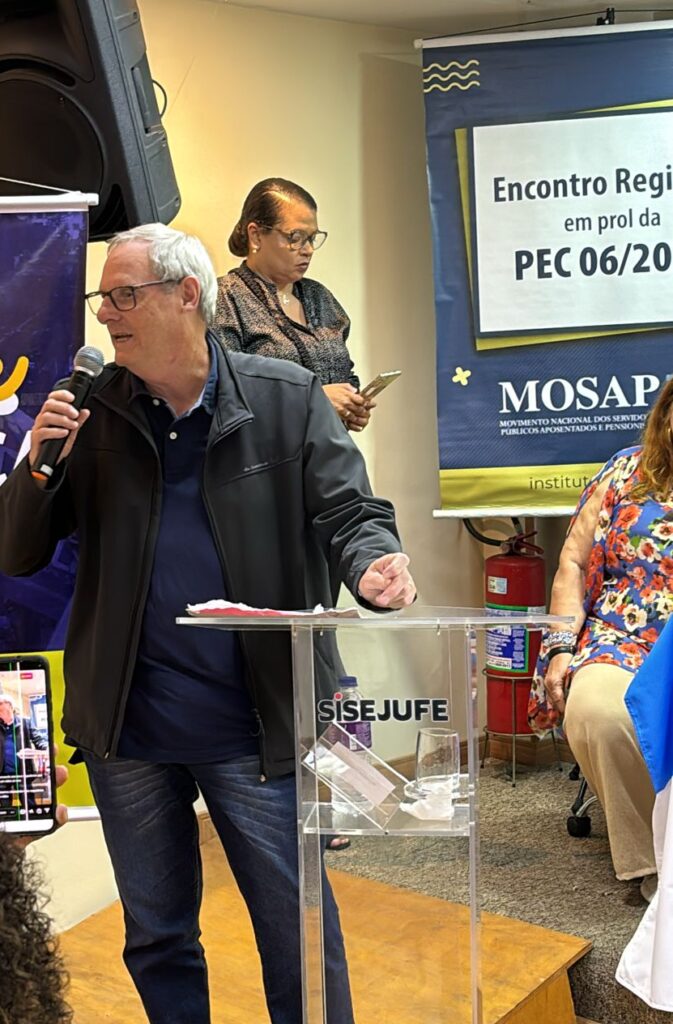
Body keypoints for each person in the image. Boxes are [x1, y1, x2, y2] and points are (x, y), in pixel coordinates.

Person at [0, 223, 416, 1024]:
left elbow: (350, 511)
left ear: (185, 295)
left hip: (256, 724)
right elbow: (16, 554)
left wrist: (372, 561)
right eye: (101, 298)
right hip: (130, 730)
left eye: (124, 295)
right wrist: (39, 464)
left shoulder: (283, 398)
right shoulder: (89, 411)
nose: (106, 315)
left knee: (295, 928)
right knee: (156, 935)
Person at [529, 383, 673, 897]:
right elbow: (572, 561)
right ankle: (653, 866)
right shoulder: (622, 473)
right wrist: (561, 647)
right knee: (599, 713)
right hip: (625, 635)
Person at [212, 177, 374, 433]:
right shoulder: (226, 299)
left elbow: (343, 372)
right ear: (256, 236)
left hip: (331, 462)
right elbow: (222, 391)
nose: (308, 249)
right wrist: (313, 401)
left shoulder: (320, 297)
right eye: (295, 237)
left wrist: (352, 404)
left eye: (312, 238)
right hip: (266, 464)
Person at [0, 694, 48, 813]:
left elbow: (38, 739)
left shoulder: (25, 723)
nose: (1, 712)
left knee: (29, 804)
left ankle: (33, 823)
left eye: (2, 708)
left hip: (22, 772)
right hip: (2, 773)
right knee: (5, 809)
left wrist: (47, 748)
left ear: (10, 707)